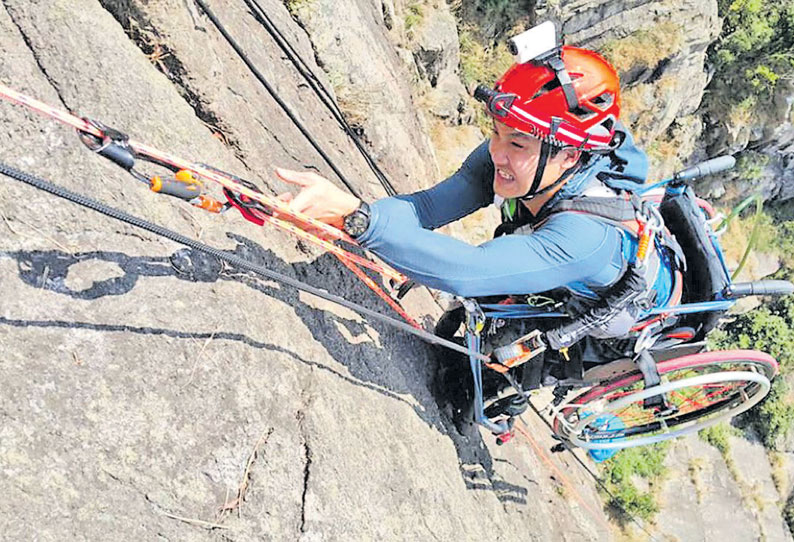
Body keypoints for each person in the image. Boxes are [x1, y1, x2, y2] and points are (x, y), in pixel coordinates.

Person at [273, 44, 678, 428]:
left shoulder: (585, 237)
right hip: (547, 258)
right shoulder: (533, 153)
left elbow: (470, 270)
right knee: (475, 310)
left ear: (570, 155)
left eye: (516, 142)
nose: (496, 153)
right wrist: (361, 217)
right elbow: (429, 207)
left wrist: (357, 220)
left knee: (475, 388)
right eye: (497, 132)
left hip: (601, 316)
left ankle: (504, 399)